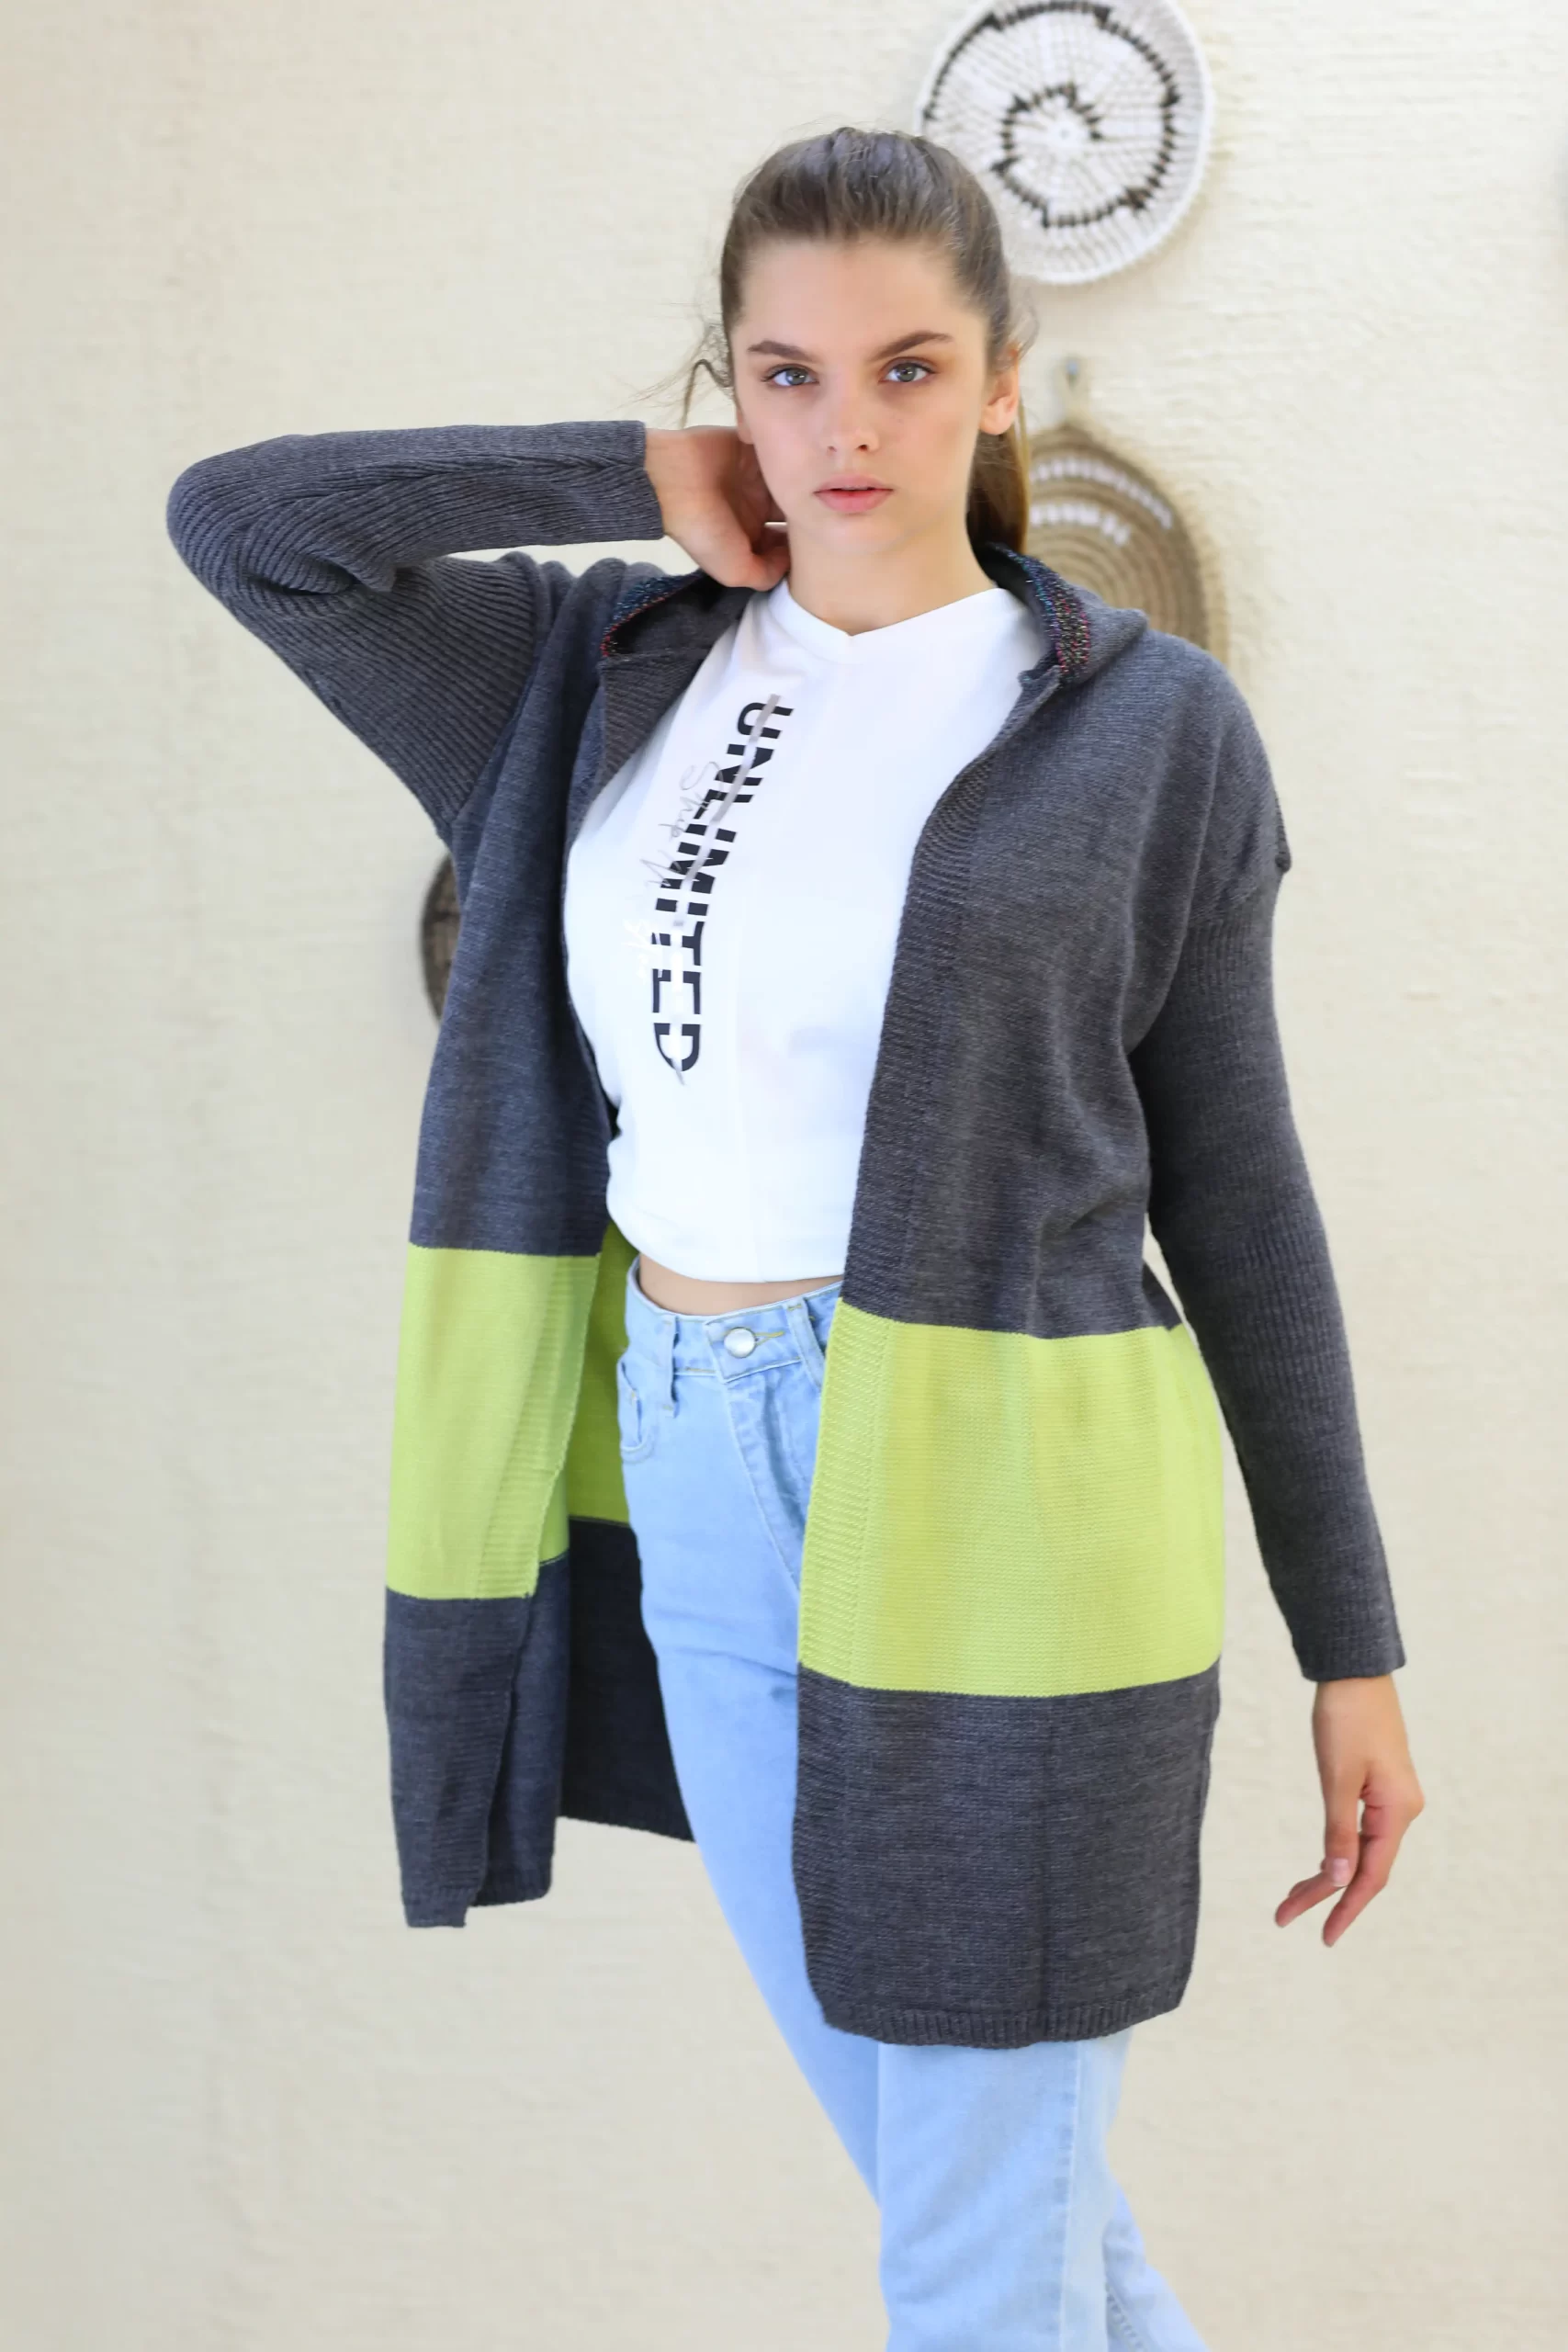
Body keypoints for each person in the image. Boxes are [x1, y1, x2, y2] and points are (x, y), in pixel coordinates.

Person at [167, 124, 1424, 2352]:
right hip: (693, 1456)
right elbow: (249, 526)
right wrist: (625, 469)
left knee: (970, 2248)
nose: (847, 429)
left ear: (1003, 382)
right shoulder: (590, 668)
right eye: (787, 373)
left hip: (1006, 1496)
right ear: (727, 385)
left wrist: (1353, 1640)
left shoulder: (1145, 729)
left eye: (908, 368)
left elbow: (1237, 1186)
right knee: (1002, 2206)